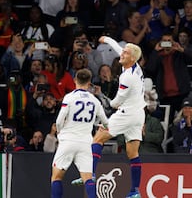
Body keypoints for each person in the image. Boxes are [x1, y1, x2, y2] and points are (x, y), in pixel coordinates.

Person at [72, 36, 146, 198]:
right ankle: (135, 191)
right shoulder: (134, 65)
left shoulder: (127, 78)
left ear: (132, 58)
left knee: (97, 139)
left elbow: (114, 103)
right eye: (123, 51)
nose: (122, 54)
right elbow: (119, 49)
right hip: (139, 114)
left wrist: (104, 98)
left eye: (125, 53)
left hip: (127, 114)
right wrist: (107, 39)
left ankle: (90, 174)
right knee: (132, 153)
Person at [51, 68, 108, 198]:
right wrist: (101, 126)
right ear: (89, 83)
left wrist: (60, 133)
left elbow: (59, 120)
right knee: (88, 179)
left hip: (68, 140)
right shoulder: (95, 101)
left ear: (75, 80)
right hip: (85, 143)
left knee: (56, 177)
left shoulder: (69, 97)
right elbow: (106, 122)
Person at [144, 31, 192, 125]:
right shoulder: (157, 56)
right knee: (167, 123)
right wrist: (155, 51)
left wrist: (182, 49)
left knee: (187, 120)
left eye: (169, 41)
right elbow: (150, 69)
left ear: (173, 42)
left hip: (182, 94)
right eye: (164, 41)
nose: (167, 43)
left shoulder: (179, 54)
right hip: (165, 96)